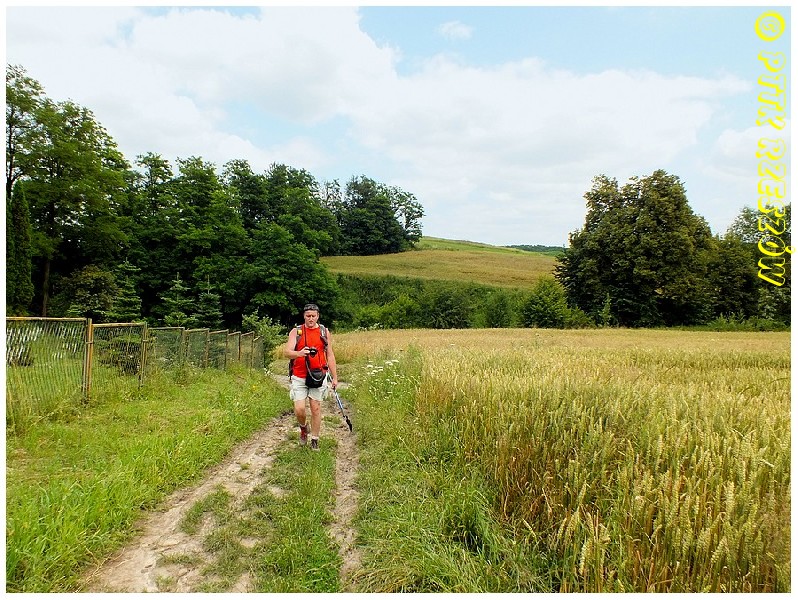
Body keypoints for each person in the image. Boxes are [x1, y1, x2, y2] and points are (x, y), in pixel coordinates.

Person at [283, 303, 338, 451]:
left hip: (318, 375)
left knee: (316, 408)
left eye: (313, 316)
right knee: (299, 409)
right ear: (304, 316)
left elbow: (330, 355)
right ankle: (303, 428)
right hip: (299, 375)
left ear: (318, 316)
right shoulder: (296, 332)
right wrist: (299, 353)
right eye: (308, 316)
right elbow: (287, 352)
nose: (311, 319)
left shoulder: (324, 332)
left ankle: (315, 440)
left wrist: (334, 377)